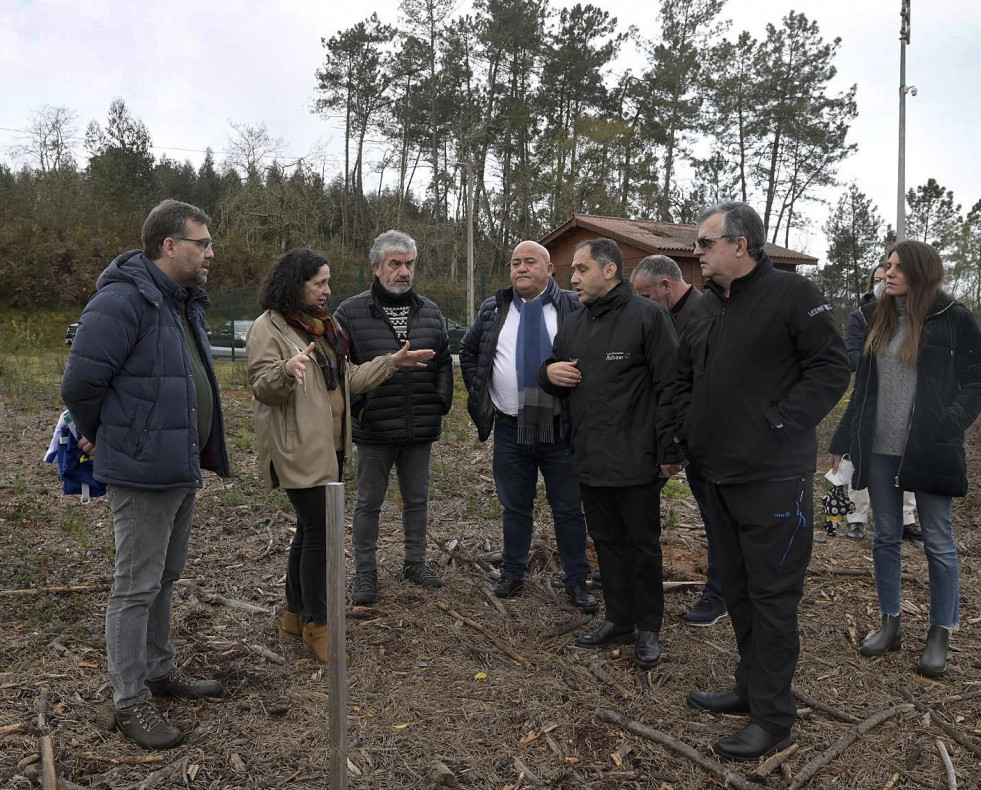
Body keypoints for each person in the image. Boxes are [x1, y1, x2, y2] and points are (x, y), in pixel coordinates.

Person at [675, 200, 849, 761]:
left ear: (739, 246)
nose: (696, 253)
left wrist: (778, 421)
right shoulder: (704, 308)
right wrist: (684, 432)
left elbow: (831, 368)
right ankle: (749, 687)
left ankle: (773, 717)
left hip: (772, 477)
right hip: (715, 476)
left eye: (704, 243)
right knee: (740, 589)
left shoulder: (794, 297)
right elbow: (686, 376)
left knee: (773, 597)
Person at [61, 199, 231, 750]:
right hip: (141, 468)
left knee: (164, 577)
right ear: (169, 246)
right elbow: (81, 385)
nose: (210, 252)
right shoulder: (122, 300)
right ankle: (130, 699)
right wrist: (107, 432)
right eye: (201, 243)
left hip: (178, 464)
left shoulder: (180, 303)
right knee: (134, 586)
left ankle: (159, 670)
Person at [246, 249, 435, 661]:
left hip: (329, 449)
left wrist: (393, 362)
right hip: (299, 450)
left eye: (328, 282)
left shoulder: (323, 329)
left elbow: (346, 380)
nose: (328, 290)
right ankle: (319, 625)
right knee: (320, 535)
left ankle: (295, 616)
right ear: (295, 285)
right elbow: (262, 387)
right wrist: (285, 370)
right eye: (319, 283)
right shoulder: (270, 328)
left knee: (309, 531)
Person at [829, 240, 981, 677]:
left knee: (937, 540)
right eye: (887, 266)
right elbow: (865, 390)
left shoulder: (953, 318)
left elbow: (976, 381)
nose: (887, 273)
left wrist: (947, 424)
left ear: (920, 272)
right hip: (879, 448)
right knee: (885, 538)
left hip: (931, 448)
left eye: (897, 268)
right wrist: (843, 436)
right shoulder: (878, 317)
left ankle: (940, 633)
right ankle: (890, 623)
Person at [540, 238, 683, 669]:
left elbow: (670, 386)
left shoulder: (648, 317)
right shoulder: (575, 327)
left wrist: (669, 448)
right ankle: (619, 619)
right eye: (573, 272)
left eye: (582, 270)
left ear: (609, 270)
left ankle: (649, 627)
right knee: (606, 543)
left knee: (642, 545)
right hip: (588, 455)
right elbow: (553, 371)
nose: (574, 279)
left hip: (636, 458)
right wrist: (547, 374)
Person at [459, 240, 597, 613]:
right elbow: (470, 351)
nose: (520, 268)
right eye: (515, 262)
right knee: (514, 506)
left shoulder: (573, 305)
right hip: (510, 427)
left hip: (562, 429)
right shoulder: (495, 308)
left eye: (530, 262)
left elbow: (595, 353)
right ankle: (513, 572)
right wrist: (480, 389)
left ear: (550, 269)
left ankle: (576, 580)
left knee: (568, 509)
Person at [334, 231, 453, 605]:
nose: (404, 272)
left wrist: (440, 402)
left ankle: (414, 563)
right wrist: (360, 409)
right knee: (369, 502)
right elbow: (340, 371)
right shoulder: (349, 313)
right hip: (374, 429)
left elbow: (445, 363)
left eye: (409, 264)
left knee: (417, 500)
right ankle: (366, 572)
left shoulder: (431, 312)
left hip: (419, 425)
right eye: (395, 264)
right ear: (376, 266)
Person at [631, 256, 727, 627]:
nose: (641, 301)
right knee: (636, 499)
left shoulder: (705, 315)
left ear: (666, 286)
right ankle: (630, 573)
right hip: (663, 431)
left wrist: (680, 444)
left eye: (645, 294)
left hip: (702, 435)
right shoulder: (656, 315)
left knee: (716, 517)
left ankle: (719, 594)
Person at [841, 263, 919, 541]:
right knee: (860, 455)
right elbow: (850, 356)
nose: (884, 284)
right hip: (868, 398)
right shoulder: (860, 317)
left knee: (905, 453)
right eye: (878, 279)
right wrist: (879, 361)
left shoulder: (913, 317)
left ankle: (908, 517)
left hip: (905, 401)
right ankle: (856, 517)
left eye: (888, 278)